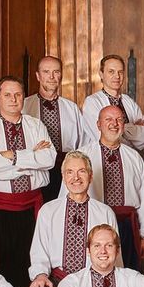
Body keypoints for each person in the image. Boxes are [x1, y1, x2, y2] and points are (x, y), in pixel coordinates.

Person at [28, 151, 119, 287]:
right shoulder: (48, 211)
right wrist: (41, 275)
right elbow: (39, 250)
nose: (75, 177)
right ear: (63, 177)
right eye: (69, 172)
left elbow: (114, 256)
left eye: (81, 171)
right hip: (57, 278)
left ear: (90, 175)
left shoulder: (104, 212)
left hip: (90, 279)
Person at [0, 76, 56, 287]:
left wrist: (13, 156)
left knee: (33, 260)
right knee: (1, 265)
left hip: (33, 204)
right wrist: (32, 158)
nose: (13, 99)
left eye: (18, 94)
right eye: (7, 95)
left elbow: (49, 159)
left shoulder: (36, 125)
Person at [80, 105, 144, 270]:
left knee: (127, 273)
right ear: (98, 124)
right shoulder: (83, 156)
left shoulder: (134, 157)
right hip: (95, 224)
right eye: (108, 119)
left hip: (127, 225)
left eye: (119, 119)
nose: (114, 124)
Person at [23, 55, 88, 202]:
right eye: (46, 72)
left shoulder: (72, 108)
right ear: (38, 76)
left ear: (61, 75)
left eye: (56, 72)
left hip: (66, 170)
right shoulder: (25, 106)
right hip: (35, 169)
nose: (51, 77)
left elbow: (83, 142)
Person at [81, 54, 144, 151]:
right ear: (101, 74)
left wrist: (122, 129)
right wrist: (133, 128)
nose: (117, 76)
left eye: (120, 72)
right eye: (111, 72)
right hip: (103, 159)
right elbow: (106, 140)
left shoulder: (128, 101)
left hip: (131, 160)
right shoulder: (92, 102)